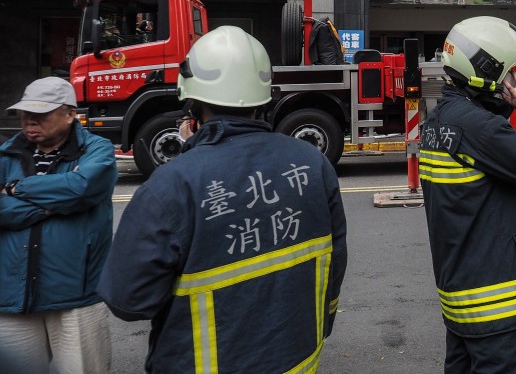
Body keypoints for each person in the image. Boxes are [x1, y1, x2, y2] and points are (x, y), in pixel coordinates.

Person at [98, 26, 347, 373]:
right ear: (264, 96)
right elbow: (335, 264)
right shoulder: (313, 163)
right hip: (301, 360)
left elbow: (128, 301)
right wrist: (323, 325)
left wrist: (193, 153)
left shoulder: (172, 185)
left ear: (192, 102)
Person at [420, 16, 516, 373]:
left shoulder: (439, 120)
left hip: (462, 298)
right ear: (486, 71)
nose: (515, 80)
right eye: (510, 72)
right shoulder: (476, 126)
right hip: (494, 305)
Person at [0, 76, 117, 374]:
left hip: (76, 296)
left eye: (40, 114)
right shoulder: (7, 154)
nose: (30, 121)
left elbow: (81, 187)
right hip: (11, 296)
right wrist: (52, 205)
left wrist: (15, 188)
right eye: (25, 114)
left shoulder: (97, 150)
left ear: (70, 114)